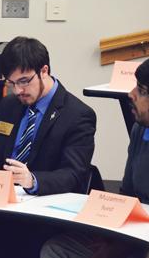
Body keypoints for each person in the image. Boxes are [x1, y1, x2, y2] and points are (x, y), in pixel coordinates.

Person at [41, 58, 149, 258]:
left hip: (143, 239)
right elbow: (127, 194)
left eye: (141, 90)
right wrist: (111, 237)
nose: (131, 94)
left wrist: (122, 246)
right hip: (134, 231)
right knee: (56, 249)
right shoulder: (139, 129)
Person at [0, 36, 96, 195]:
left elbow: (73, 174)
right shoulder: (8, 105)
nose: (18, 91)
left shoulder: (78, 115)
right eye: (11, 83)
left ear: (44, 71)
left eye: (24, 81)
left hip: (44, 203)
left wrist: (32, 180)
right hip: (1, 198)